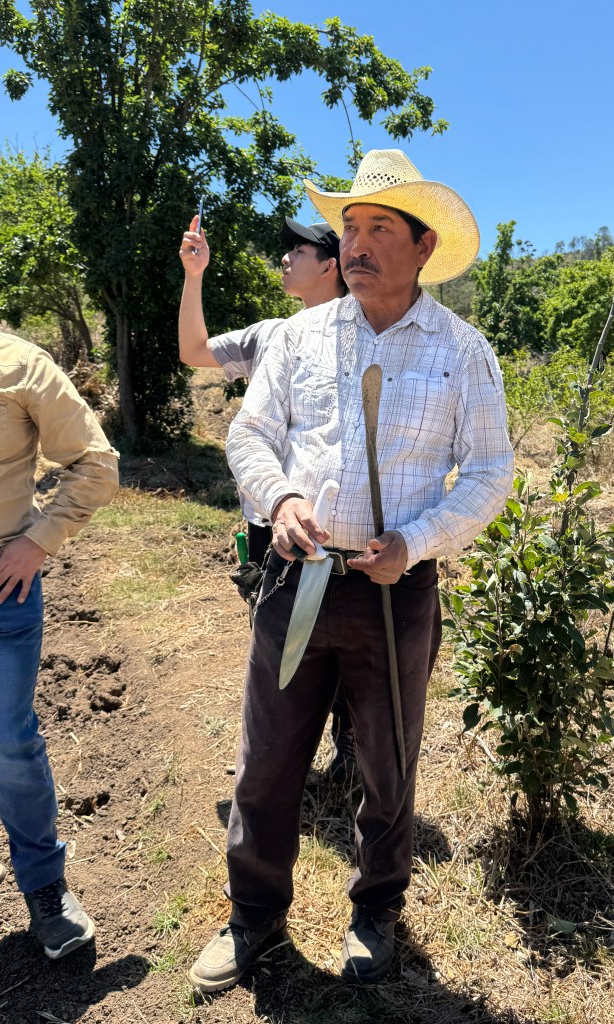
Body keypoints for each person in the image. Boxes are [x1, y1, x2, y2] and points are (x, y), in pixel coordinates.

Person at [188, 149, 514, 993]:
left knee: (387, 764)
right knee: (267, 759)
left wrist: (417, 541)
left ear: (423, 245)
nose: (356, 244)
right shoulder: (300, 336)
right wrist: (281, 498)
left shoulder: (463, 351)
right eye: (350, 228)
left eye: (379, 229)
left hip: (393, 593)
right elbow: (250, 436)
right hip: (295, 579)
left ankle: (376, 911)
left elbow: (489, 473)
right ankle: (253, 916)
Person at [178, 215, 356, 781]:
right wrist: (194, 274)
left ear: (330, 265)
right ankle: (281, 764)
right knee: (279, 640)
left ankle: (350, 749)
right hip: (268, 522)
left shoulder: (363, 332)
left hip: (338, 527)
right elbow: (194, 350)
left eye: (298, 250)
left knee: (345, 640)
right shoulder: (270, 334)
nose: (285, 258)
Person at [0, 329, 119, 958]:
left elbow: (97, 464)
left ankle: (44, 886)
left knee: (6, 742)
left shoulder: (18, 366)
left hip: (1, 588)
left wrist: (38, 540)